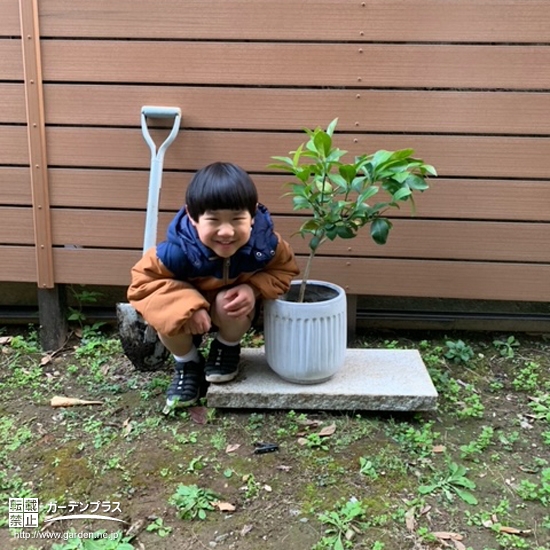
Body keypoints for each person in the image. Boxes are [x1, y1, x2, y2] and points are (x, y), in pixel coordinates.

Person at [128, 162, 300, 411]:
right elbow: (142, 284)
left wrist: (254, 288)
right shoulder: (175, 252)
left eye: (237, 219)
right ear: (193, 217)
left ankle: (226, 346)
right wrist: (186, 305)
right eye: (214, 220)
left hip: (228, 313)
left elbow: (284, 269)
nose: (227, 231)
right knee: (171, 316)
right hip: (189, 318)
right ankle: (187, 362)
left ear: (252, 215)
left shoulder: (265, 246)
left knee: (229, 302)